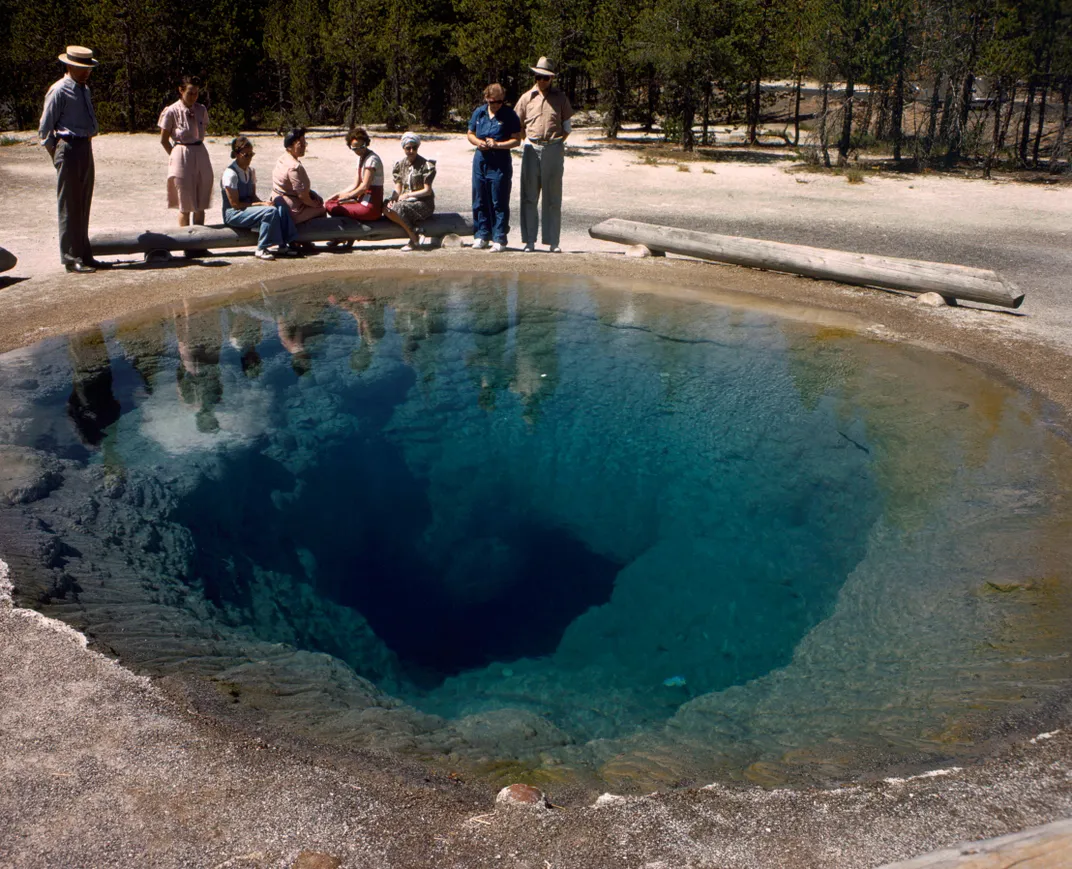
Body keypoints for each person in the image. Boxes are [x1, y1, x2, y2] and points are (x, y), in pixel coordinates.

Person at [39, 45, 102, 273]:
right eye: (82, 68)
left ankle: (84, 253)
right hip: (68, 147)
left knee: (83, 202)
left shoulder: (84, 89)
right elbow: (45, 130)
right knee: (68, 205)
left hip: (85, 146)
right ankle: (70, 257)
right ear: (69, 66)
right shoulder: (59, 90)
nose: (87, 72)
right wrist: (57, 156)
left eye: (88, 68)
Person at [515, 56, 573, 253]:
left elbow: (567, 127)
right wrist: (528, 141)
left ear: (551, 79)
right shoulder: (525, 98)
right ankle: (529, 241)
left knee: (553, 197)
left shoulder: (561, 98)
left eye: (545, 77)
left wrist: (555, 144)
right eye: (538, 76)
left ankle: (553, 242)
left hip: (554, 148)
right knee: (529, 196)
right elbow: (517, 124)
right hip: (531, 149)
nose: (541, 81)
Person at [220, 135, 300, 261]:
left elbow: (252, 196)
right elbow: (235, 204)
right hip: (233, 213)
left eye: (251, 154)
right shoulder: (230, 174)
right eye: (246, 155)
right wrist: (261, 206)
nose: (249, 158)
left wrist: (264, 202)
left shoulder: (250, 171)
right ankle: (262, 247)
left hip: (247, 208)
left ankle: (285, 243)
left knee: (279, 204)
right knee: (270, 212)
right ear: (236, 154)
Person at [467, 83, 521, 252]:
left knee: (499, 199)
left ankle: (499, 238)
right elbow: (470, 134)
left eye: (499, 102)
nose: (496, 105)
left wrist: (497, 144)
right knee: (480, 198)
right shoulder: (479, 112)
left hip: (500, 162)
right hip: (480, 160)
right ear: (486, 99)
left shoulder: (509, 115)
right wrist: (479, 143)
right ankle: (481, 235)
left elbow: (517, 140)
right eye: (492, 102)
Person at [158, 76, 214, 231]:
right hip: (181, 153)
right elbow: (163, 139)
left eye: (196, 93)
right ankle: (186, 241)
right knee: (185, 202)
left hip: (200, 152)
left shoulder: (201, 109)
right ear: (181, 90)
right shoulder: (171, 111)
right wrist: (175, 155)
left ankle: (199, 242)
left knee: (200, 202)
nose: (193, 97)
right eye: (190, 93)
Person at [384, 133, 435, 251]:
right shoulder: (400, 165)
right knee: (385, 206)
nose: (411, 151)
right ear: (403, 148)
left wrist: (407, 195)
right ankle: (415, 231)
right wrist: (392, 199)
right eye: (408, 148)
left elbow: (427, 191)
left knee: (399, 208)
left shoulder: (426, 165)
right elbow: (398, 188)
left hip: (423, 203)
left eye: (414, 148)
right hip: (406, 201)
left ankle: (413, 237)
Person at [325, 127, 385, 221]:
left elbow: (364, 186)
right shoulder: (360, 158)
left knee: (332, 207)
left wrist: (348, 196)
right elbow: (355, 184)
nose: (359, 150)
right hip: (361, 201)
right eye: (355, 148)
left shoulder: (372, 160)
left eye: (362, 146)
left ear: (366, 143)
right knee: (330, 202)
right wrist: (338, 195)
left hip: (369, 207)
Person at [272, 128, 327, 225]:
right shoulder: (294, 167)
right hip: (292, 210)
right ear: (290, 147)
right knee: (322, 209)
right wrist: (315, 204)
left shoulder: (282, 159)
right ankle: (306, 238)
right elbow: (302, 197)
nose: (304, 147)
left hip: (277, 201)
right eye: (300, 144)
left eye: (304, 143)